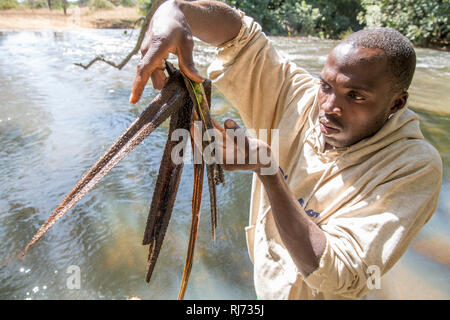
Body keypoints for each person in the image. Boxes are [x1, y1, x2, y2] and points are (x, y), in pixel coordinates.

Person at [129, 0, 443, 299]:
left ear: (396, 103)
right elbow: (241, 38)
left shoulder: (413, 165)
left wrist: (269, 172)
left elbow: (341, 272)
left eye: (356, 96)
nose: (329, 108)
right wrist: (178, 10)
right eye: (327, 86)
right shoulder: (300, 99)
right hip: (266, 289)